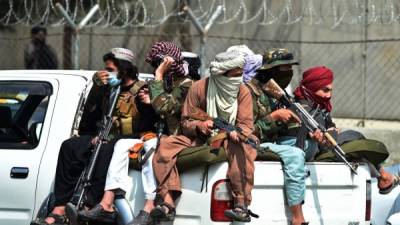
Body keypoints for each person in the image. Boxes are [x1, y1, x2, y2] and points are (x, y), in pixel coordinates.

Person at [78, 41, 195, 225]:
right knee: (120, 145)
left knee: (150, 146)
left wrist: (155, 88)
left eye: (160, 63)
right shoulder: (164, 83)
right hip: (161, 134)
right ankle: (106, 203)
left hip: (180, 137)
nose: (157, 68)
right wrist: (152, 98)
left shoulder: (187, 85)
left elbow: (164, 107)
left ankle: (148, 206)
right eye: (156, 65)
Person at [33, 48, 151, 225]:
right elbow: (87, 124)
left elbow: (147, 127)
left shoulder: (141, 91)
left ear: (124, 69)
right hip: (104, 138)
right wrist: (96, 90)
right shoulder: (107, 90)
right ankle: (59, 208)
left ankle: (89, 204)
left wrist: (146, 105)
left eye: (111, 70)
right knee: (69, 146)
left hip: (129, 141)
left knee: (106, 147)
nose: (106, 74)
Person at [150, 50, 258, 223]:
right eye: (234, 75)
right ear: (222, 74)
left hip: (229, 138)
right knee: (165, 145)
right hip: (199, 138)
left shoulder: (242, 91)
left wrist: (238, 133)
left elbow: (246, 125)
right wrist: (200, 126)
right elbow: (186, 121)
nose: (238, 79)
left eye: (241, 75)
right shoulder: (199, 87)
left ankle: (241, 204)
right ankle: (167, 202)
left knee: (244, 147)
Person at [293, 66, 398, 194]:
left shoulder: (315, 103)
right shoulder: (305, 108)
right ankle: (384, 177)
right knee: (355, 136)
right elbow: (325, 141)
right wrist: (331, 131)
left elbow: (328, 123)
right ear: (313, 86)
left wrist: (331, 129)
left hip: (325, 146)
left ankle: (384, 177)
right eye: (325, 90)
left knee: (355, 142)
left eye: (331, 90)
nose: (329, 95)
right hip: (317, 151)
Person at [245, 48, 311, 225]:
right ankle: (298, 217)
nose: (289, 73)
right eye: (284, 69)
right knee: (295, 155)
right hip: (253, 143)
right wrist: (274, 118)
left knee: (309, 145)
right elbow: (245, 131)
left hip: (274, 141)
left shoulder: (279, 93)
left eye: (291, 68)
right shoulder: (249, 92)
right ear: (271, 70)